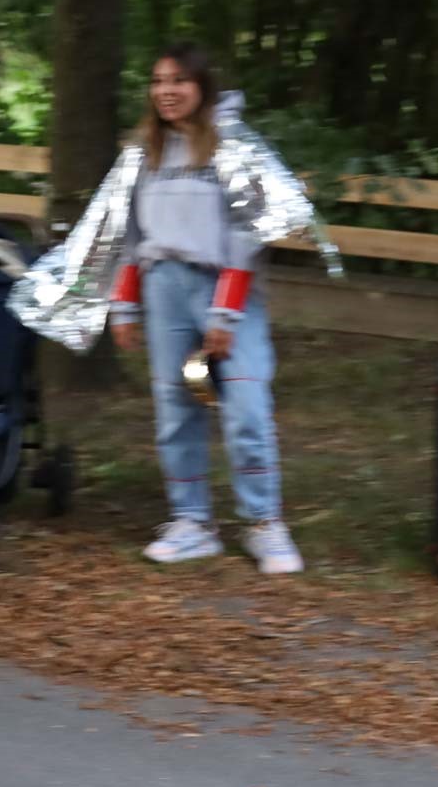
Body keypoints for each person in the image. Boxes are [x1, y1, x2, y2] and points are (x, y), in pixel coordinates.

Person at [105, 44, 303, 574]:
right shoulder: (142, 152)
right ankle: (192, 523)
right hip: (163, 288)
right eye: (158, 81)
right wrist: (123, 304)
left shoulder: (232, 146)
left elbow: (247, 235)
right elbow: (130, 234)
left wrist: (224, 314)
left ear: (202, 86)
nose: (166, 91)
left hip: (223, 290)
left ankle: (264, 523)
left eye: (179, 81)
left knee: (245, 407)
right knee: (177, 408)